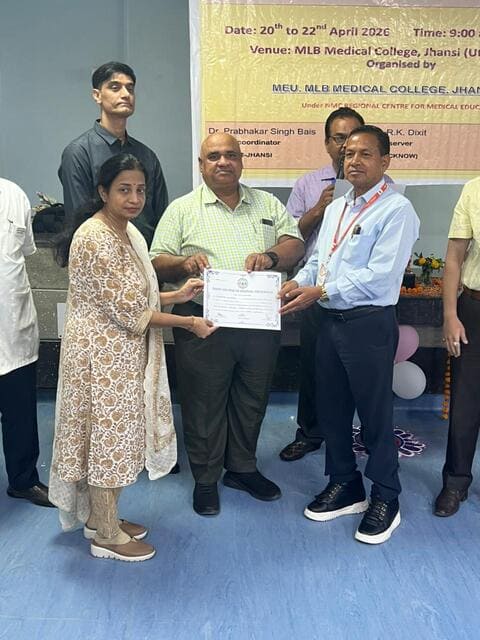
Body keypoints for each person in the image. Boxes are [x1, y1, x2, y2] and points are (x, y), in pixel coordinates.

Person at [49, 154, 216, 562]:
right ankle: (106, 536)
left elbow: (135, 297)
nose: (134, 198)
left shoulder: (126, 231)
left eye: (140, 190)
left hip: (120, 353)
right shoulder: (96, 237)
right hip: (100, 359)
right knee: (109, 440)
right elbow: (132, 312)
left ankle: (101, 518)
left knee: (113, 436)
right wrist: (189, 323)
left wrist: (177, 295)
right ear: (103, 191)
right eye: (124, 189)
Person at [150, 133, 304, 516]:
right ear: (201, 165)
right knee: (204, 402)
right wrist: (183, 263)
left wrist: (270, 257)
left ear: (241, 161)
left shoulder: (267, 204)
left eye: (231, 155)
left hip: (259, 323)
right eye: (214, 156)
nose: (223, 162)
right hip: (203, 323)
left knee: (252, 398)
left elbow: (295, 244)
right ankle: (206, 479)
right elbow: (156, 261)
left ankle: (242, 468)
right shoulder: (182, 209)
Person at [279, 126, 419, 544]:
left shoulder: (397, 210)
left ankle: (386, 495)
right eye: (348, 154)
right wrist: (298, 281)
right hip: (328, 321)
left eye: (365, 154)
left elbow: (380, 276)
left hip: (367, 324)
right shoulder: (338, 207)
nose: (353, 160)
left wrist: (321, 291)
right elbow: (318, 260)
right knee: (332, 410)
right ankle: (345, 483)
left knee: (375, 415)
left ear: (385, 161)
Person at [280, 107, 365, 463]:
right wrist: (319, 208)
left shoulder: (381, 187)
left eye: (353, 137)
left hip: (359, 296)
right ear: (328, 142)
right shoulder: (308, 184)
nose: (346, 146)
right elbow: (291, 237)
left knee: (357, 370)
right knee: (313, 366)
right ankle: (310, 433)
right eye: (339, 138)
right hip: (314, 291)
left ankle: (355, 433)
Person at [59, 61, 167, 247]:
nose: (125, 94)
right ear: (97, 95)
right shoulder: (79, 152)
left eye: (130, 88)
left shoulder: (147, 155)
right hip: (100, 255)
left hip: (146, 256)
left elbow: (162, 219)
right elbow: (79, 220)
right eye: (115, 87)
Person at [0, 177, 54, 508]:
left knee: (20, 412)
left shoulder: (13, 195)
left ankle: (24, 481)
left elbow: (24, 252)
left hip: (13, 327)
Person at [434, 177, 480, 517]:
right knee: (465, 400)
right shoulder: (474, 190)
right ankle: (455, 482)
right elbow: (454, 257)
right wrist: (450, 315)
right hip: (474, 308)